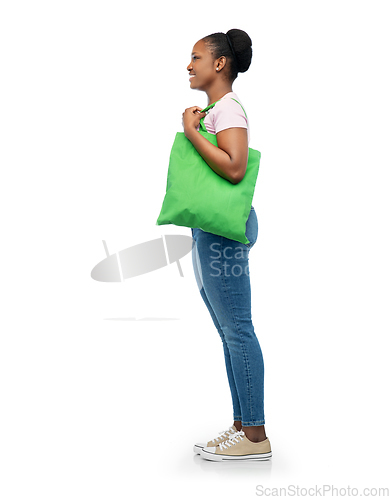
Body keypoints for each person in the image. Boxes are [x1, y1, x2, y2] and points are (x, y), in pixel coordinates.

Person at [182, 29, 272, 461]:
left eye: (197, 57)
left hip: (223, 234)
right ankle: (242, 426)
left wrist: (192, 133)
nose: (189, 64)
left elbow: (235, 169)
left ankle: (256, 437)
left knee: (237, 329)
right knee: (228, 331)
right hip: (210, 231)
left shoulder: (229, 108)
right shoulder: (215, 110)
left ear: (220, 64)